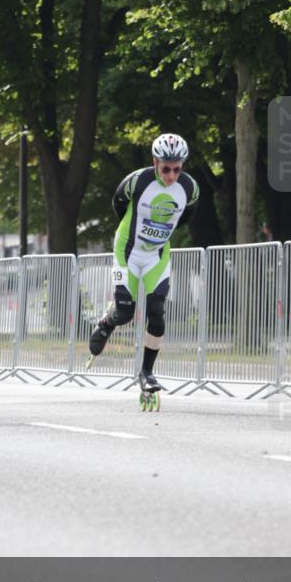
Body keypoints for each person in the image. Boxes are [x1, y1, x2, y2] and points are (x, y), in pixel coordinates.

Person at [89, 133, 199, 397]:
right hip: (127, 251)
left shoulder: (190, 188)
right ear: (155, 162)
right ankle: (107, 323)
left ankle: (147, 372)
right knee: (126, 312)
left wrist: (159, 235)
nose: (171, 175)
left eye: (177, 169)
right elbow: (118, 204)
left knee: (158, 313)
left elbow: (185, 216)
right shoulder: (138, 181)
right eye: (166, 169)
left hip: (157, 255)